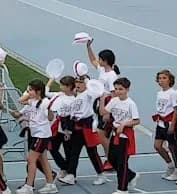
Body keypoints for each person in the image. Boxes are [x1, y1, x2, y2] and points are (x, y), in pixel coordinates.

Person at [60, 75, 107, 186]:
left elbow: (97, 92)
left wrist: (88, 82)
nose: (78, 84)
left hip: (86, 127)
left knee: (92, 152)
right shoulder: (77, 95)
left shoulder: (89, 94)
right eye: (76, 82)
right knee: (74, 152)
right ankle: (71, 175)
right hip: (77, 127)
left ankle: (101, 174)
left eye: (81, 82)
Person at [15, 80, 57, 194]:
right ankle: (50, 184)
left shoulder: (45, 102)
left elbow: (50, 117)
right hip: (36, 134)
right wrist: (30, 93)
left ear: (38, 91)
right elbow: (20, 100)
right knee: (43, 160)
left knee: (31, 159)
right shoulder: (33, 101)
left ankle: (29, 186)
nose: (29, 92)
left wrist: (49, 110)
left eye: (31, 90)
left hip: (42, 135)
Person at [85, 40, 120, 172]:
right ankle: (110, 158)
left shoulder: (111, 76)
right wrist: (88, 47)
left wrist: (107, 112)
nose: (98, 60)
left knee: (102, 134)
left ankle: (111, 159)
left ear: (106, 61)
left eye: (101, 58)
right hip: (100, 104)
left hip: (107, 104)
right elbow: (93, 60)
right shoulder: (103, 70)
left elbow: (114, 94)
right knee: (103, 134)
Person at [101, 77, 140, 193]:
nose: (118, 91)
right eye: (116, 89)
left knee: (122, 162)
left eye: (121, 89)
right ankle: (131, 175)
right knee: (111, 159)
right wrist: (102, 99)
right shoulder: (114, 101)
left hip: (125, 136)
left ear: (127, 89)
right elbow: (103, 112)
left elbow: (137, 120)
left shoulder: (130, 104)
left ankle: (122, 189)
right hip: (115, 133)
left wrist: (124, 124)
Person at [47, 76, 77, 181]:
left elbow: (72, 116)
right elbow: (46, 92)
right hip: (57, 125)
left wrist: (68, 131)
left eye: (62, 85)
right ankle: (64, 167)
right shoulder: (58, 95)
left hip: (66, 127)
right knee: (52, 148)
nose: (60, 87)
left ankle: (70, 172)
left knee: (67, 150)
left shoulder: (73, 100)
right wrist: (51, 79)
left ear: (69, 87)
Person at [154, 70, 177, 180]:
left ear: (170, 79)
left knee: (172, 146)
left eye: (164, 78)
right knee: (157, 146)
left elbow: (175, 110)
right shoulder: (159, 93)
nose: (161, 80)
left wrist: (172, 124)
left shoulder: (173, 93)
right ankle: (170, 164)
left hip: (169, 123)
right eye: (159, 78)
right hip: (160, 123)